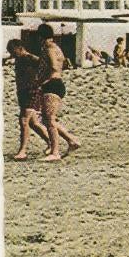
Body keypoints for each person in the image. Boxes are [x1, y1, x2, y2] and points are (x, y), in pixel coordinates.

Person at [34, 24, 81, 161]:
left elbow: (54, 67)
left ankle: (55, 152)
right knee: (48, 119)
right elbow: (63, 64)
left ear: (40, 36)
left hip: (52, 84)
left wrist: (42, 81)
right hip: (57, 83)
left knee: (49, 120)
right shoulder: (57, 48)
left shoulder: (48, 48)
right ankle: (72, 140)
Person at [8, 40, 53, 160]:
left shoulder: (30, 58)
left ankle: (22, 151)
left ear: (20, 48)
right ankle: (51, 143)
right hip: (22, 93)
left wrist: (39, 82)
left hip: (31, 92)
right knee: (33, 123)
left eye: (13, 52)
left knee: (23, 120)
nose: (12, 54)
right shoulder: (19, 59)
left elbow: (47, 67)